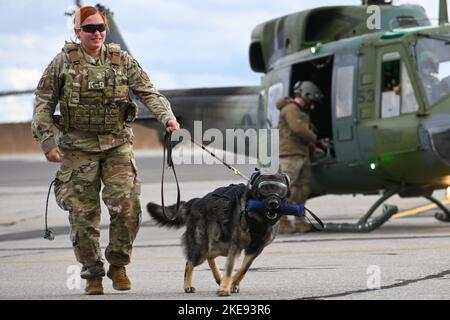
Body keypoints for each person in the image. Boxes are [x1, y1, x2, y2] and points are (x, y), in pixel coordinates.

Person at [32, 6, 180, 295]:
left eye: (101, 27)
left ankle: (118, 263)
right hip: (77, 148)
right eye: (89, 29)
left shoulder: (121, 60)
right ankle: (92, 274)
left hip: (117, 144)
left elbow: (147, 90)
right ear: (77, 32)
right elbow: (43, 103)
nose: (97, 33)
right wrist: (47, 142)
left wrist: (167, 116)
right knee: (83, 216)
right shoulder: (61, 63)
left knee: (127, 207)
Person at [276, 81, 323, 234]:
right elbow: (298, 129)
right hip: (290, 155)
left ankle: (300, 221)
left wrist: (312, 148)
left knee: (302, 190)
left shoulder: (298, 111)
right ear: (307, 95)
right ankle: (281, 222)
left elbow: (302, 134)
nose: (313, 105)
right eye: (312, 100)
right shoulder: (291, 109)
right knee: (286, 190)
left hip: (300, 154)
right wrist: (313, 138)